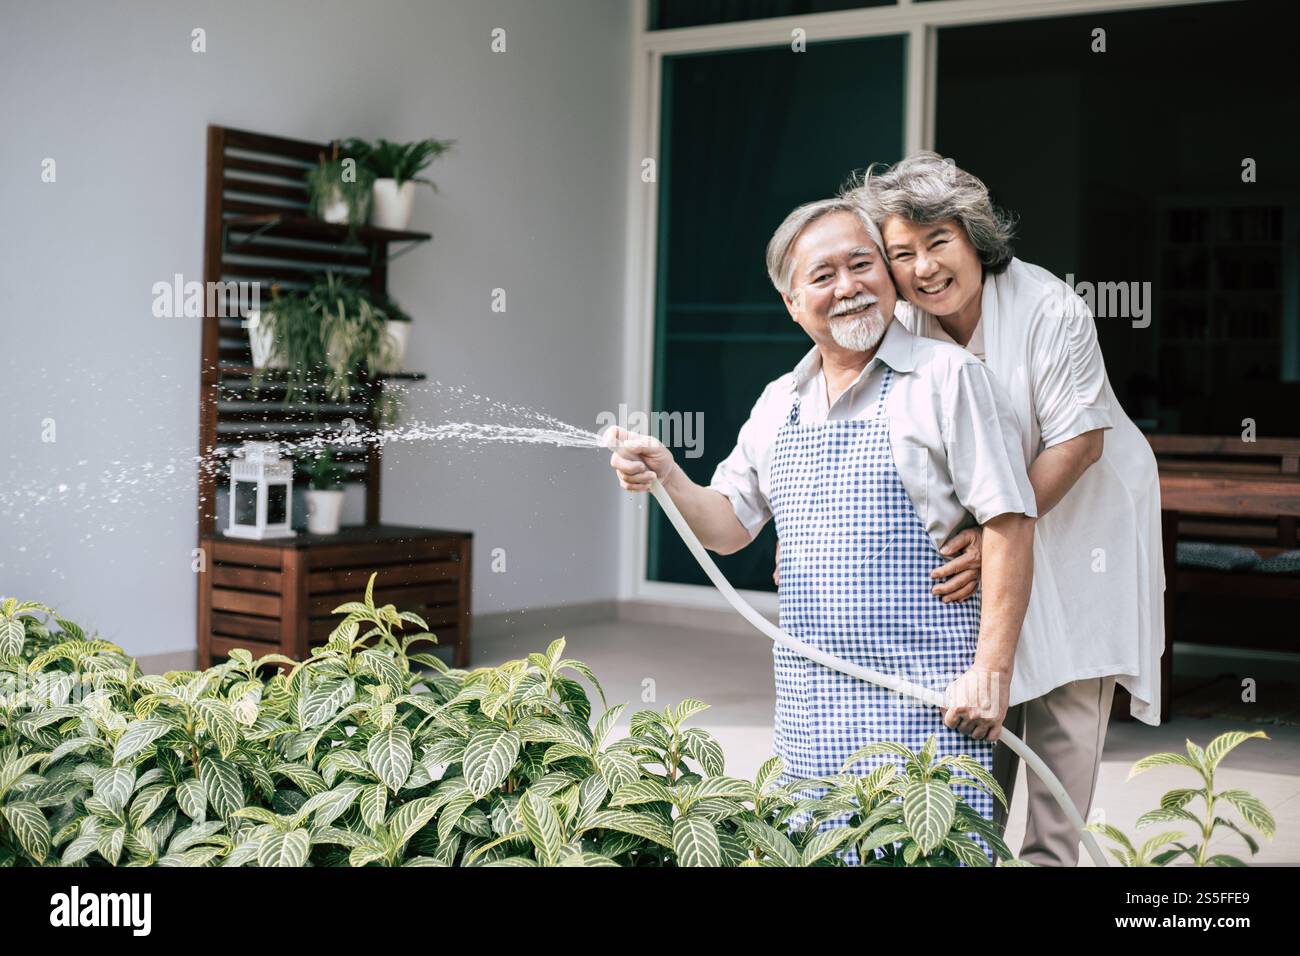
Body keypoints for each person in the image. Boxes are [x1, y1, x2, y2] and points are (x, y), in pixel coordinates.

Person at [605, 197, 1037, 863]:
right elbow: (728, 527)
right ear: (792, 301)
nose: (848, 287)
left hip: (927, 701)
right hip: (812, 709)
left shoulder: (946, 377)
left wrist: (991, 671)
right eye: (824, 275)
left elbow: (1009, 521)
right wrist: (668, 474)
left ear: (888, 278)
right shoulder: (781, 401)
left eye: (862, 265)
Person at [847, 152, 1165, 866]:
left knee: (1065, 706)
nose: (924, 268)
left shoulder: (1051, 308)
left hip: (1085, 522)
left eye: (938, 244)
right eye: (902, 253)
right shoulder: (899, 326)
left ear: (974, 237)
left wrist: (995, 534)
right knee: (978, 709)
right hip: (985, 529)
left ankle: (1052, 856)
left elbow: (1079, 444)